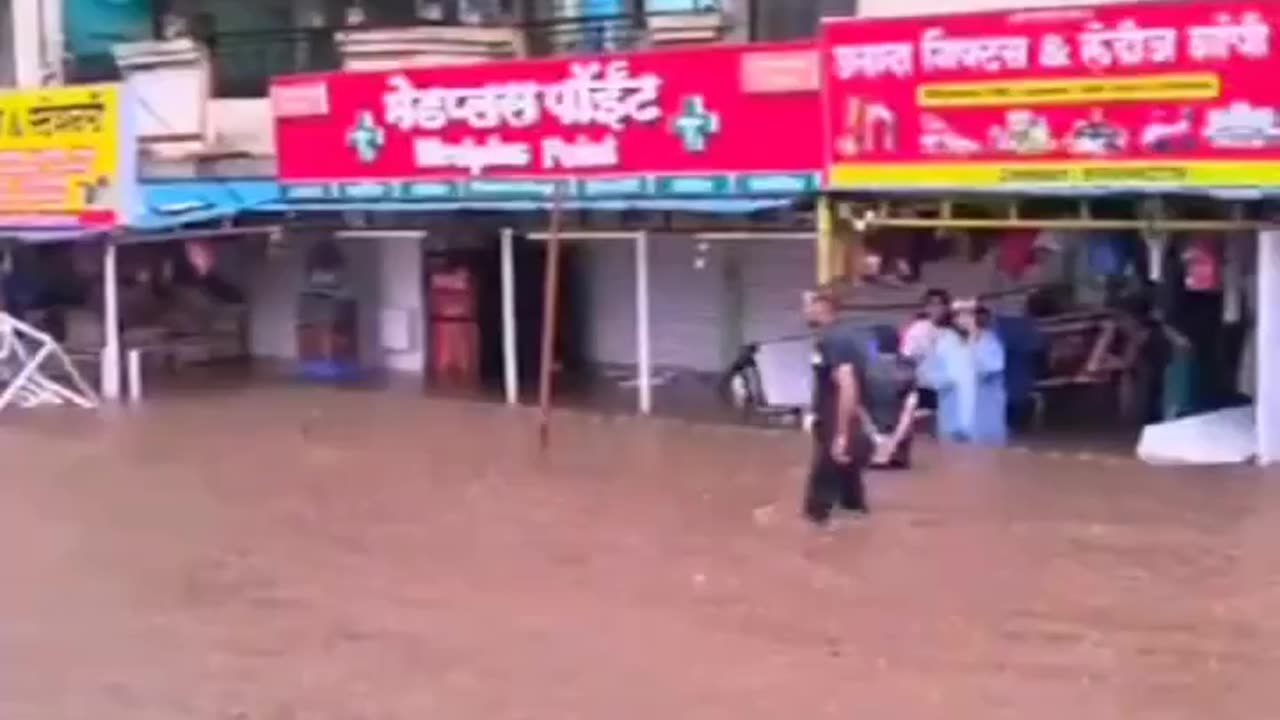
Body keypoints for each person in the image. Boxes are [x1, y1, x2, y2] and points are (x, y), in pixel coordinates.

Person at [802, 287, 871, 525]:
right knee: (851, 502)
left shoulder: (835, 340)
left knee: (816, 509)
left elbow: (848, 385)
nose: (804, 311)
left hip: (836, 426)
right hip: (837, 424)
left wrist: (841, 435)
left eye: (807, 304)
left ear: (822, 306)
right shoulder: (840, 336)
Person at [919, 299, 1008, 445]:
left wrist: (974, 338)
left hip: (982, 421)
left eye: (969, 315)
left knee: (986, 462)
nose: (964, 320)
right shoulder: (945, 342)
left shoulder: (990, 341)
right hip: (952, 415)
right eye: (959, 316)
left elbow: (991, 367)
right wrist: (947, 381)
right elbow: (930, 374)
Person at [863, 326, 919, 469]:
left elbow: (858, 406)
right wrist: (893, 442)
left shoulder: (864, 368)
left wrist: (876, 438)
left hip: (869, 441)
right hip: (899, 444)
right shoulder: (908, 367)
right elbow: (910, 408)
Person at [899, 288, 951, 417]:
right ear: (926, 307)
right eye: (933, 304)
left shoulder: (949, 332)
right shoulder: (917, 329)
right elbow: (906, 359)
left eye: (941, 304)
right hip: (924, 388)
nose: (937, 309)